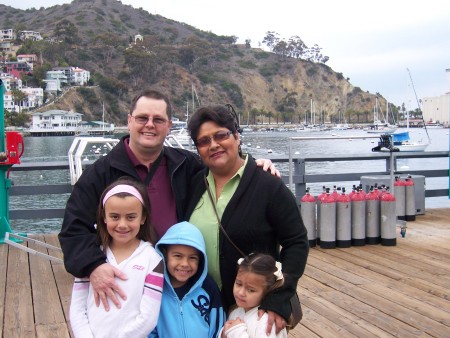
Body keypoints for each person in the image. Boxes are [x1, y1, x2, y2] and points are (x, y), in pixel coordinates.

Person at [58, 89, 278, 311]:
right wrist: (94, 266)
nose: (150, 125)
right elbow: (73, 229)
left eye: (158, 119)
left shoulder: (187, 165)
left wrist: (254, 166)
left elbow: (226, 165)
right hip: (127, 285)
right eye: (143, 118)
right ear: (129, 121)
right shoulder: (100, 174)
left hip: (181, 279)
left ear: (169, 125)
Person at [185, 104, 309, 334]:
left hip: (254, 307)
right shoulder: (194, 184)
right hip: (203, 305)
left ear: (236, 137)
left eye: (221, 135)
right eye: (203, 141)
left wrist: (279, 298)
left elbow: (296, 242)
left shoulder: (267, 185)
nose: (213, 145)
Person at [69, 177, 164, 338]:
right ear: (104, 217)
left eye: (131, 217)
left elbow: (148, 317)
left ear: (143, 218)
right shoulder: (91, 256)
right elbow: (77, 308)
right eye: (114, 217)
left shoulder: (153, 260)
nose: (122, 224)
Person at [149, 221, 225, 338]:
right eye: (178, 256)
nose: (185, 264)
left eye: (192, 258)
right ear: (165, 255)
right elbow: (149, 327)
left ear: (200, 260)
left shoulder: (208, 287)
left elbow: (218, 325)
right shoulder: (156, 287)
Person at [219, 253, 287, 338]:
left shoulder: (267, 322)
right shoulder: (236, 311)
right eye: (238, 284)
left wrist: (236, 332)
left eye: (251, 290)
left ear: (267, 291)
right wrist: (224, 334)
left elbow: (235, 333)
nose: (241, 293)